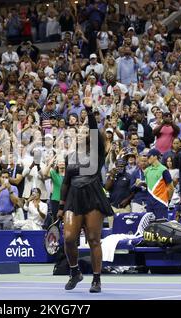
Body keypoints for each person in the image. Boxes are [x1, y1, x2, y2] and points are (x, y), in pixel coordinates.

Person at [57, 95, 113, 293]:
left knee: (93, 239)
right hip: (73, 197)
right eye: (77, 132)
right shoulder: (70, 156)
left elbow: (93, 129)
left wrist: (89, 111)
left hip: (93, 196)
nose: (80, 133)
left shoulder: (97, 149)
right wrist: (61, 207)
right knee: (69, 238)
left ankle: (96, 279)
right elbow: (65, 183)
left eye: (83, 131)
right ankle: (75, 272)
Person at [144, 148, 174, 219]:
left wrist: (168, 199)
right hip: (149, 204)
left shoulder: (163, 170)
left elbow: (171, 187)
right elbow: (147, 186)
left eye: (149, 156)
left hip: (161, 203)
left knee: (162, 226)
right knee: (150, 227)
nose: (147, 158)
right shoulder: (147, 170)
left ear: (155, 157)